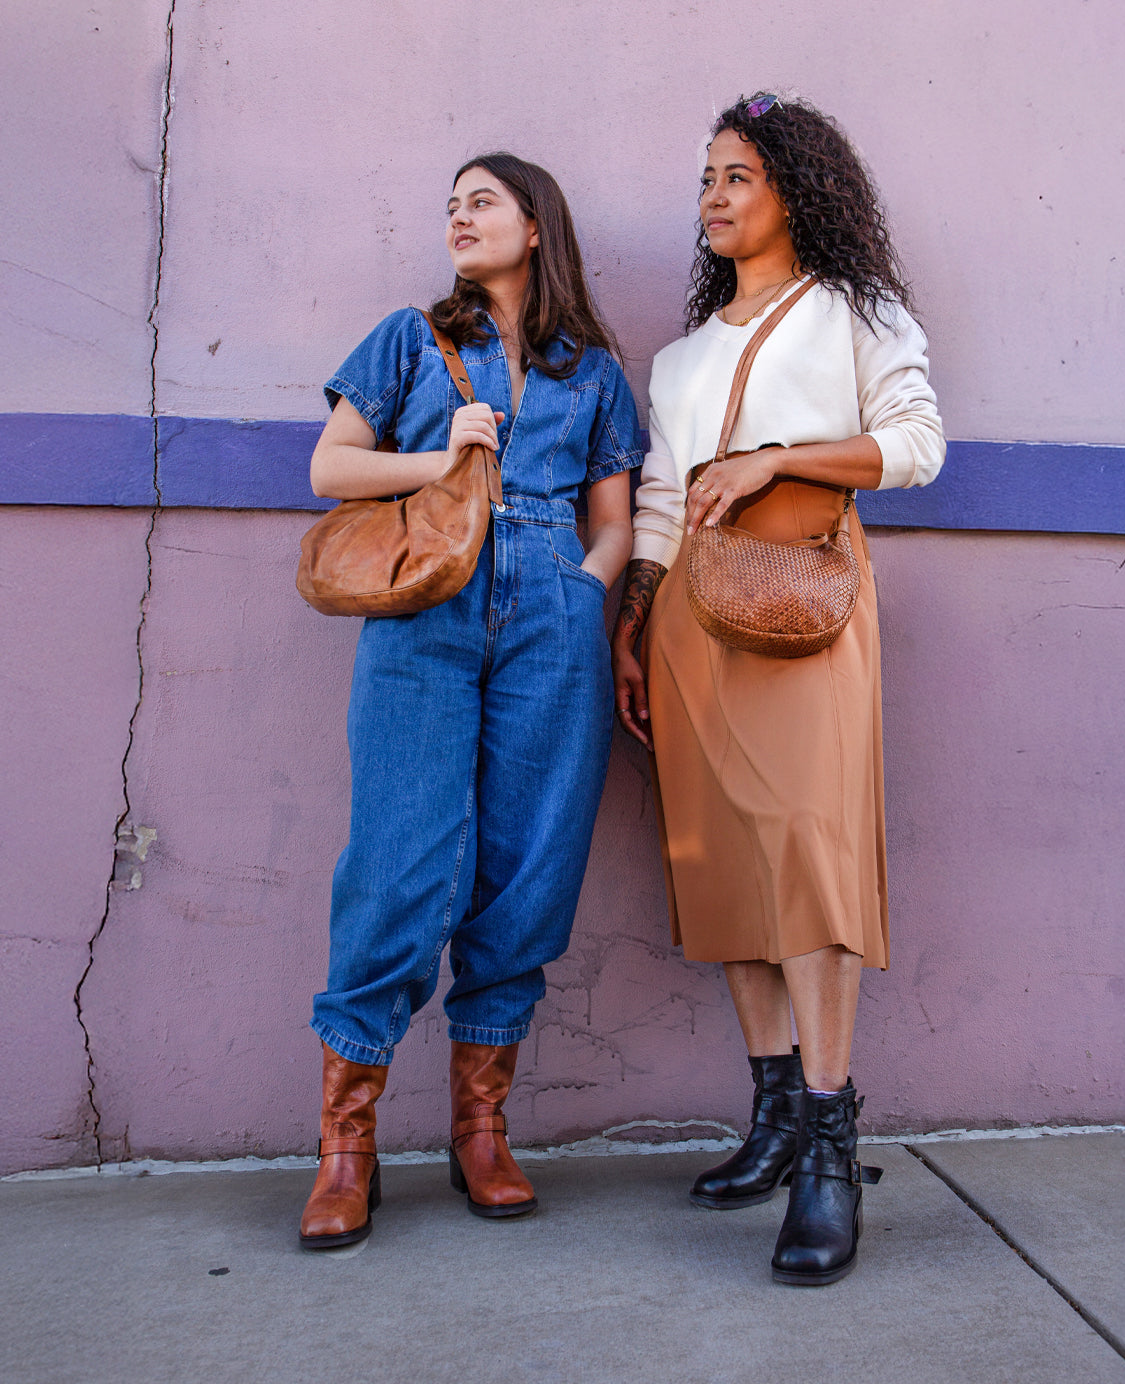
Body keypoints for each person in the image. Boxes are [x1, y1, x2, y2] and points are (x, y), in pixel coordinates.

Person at [611, 93, 945, 1285]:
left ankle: (828, 1147)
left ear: (795, 190)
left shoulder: (858, 312)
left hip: (806, 600)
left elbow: (914, 445)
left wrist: (777, 456)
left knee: (807, 855)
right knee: (723, 867)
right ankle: (770, 1118)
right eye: (705, 176)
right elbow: (658, 499)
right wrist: (635, 626)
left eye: (737, 175)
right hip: (693, 618)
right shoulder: (682, 357)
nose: (712, 195)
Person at [300, 152, 642, 1249]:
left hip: (554, 613)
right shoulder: (410, 337)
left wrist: (585, 592)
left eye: (481, 200)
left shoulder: (592, 370)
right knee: (398, 857)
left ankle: (480, 1128)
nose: (458, 215)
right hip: (424, 606)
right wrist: (437, 457)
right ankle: (346, 1144)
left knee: (531, 861)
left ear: (536, 224)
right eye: (449, 202)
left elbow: (618, 516)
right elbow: (329, 468)